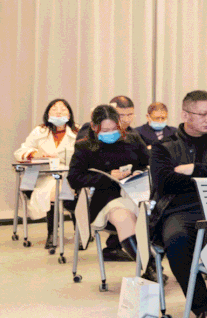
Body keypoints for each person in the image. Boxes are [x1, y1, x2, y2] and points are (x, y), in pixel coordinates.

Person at [148, 90, 207, 318]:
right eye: (203, 114)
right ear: (185, 115)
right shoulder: (163, 147)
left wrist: (193, 170)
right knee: (177, 240)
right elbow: (165, 182)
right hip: (178, 210)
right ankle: (201, 306)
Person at [67, 104, 150, 263]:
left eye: (114, 128)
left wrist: (138, 172)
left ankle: (151, 263)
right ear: (94, 127)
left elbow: (148, 162)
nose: (111, 133)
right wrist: (107, 176)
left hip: (135, 192)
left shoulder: (133, 140)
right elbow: (74, 178)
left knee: (153, 214)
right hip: (104, 198)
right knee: (124, 217)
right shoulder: (84, 147)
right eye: (105, 130)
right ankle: (149, 268)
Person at [14, 98, 79, 248]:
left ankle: (72, 232)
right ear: (48, 114)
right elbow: (20, 151)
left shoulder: (77, 131)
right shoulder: (40, 131)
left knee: (60, 190)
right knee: (54, 190)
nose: (58, 112)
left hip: (68, 174)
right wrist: (35, 153)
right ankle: (53, 233)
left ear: (69, 114)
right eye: (54, 109)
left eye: (63, 109)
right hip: (43, 175)